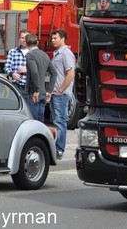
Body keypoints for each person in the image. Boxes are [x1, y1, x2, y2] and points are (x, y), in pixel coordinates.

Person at [49, 29, 76, 160]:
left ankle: (59, 149)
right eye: (52, 38)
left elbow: (70, 73)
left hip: (61, 94)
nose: (53, 40)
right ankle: (56, 148)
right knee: (56, 121)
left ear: (63, 39)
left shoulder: (66, 54)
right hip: (55, 93)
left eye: (55, 38)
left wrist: (61, 90)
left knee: (60, 121)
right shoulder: (57, 53)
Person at [25, 33, 56, 122]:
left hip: (34, 92)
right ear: (37, 43)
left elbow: (34, 72)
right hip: (44, 92)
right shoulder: (45, 55)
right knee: (40, 119)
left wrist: (36, 90)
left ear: (27, 44)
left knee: (33, 120)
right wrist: (49, 90)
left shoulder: (30, 55)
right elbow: (54, 73)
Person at [4, 29, 30, 101]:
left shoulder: (34, 52)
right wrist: (12, 74)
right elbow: (7, 67)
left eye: (26, 38)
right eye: (22, 38)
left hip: (30, 88)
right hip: (16, 87)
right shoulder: (12, 52)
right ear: (19, 39)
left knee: (29, 111)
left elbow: (40, 70)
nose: (24, 40)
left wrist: (27, 70)